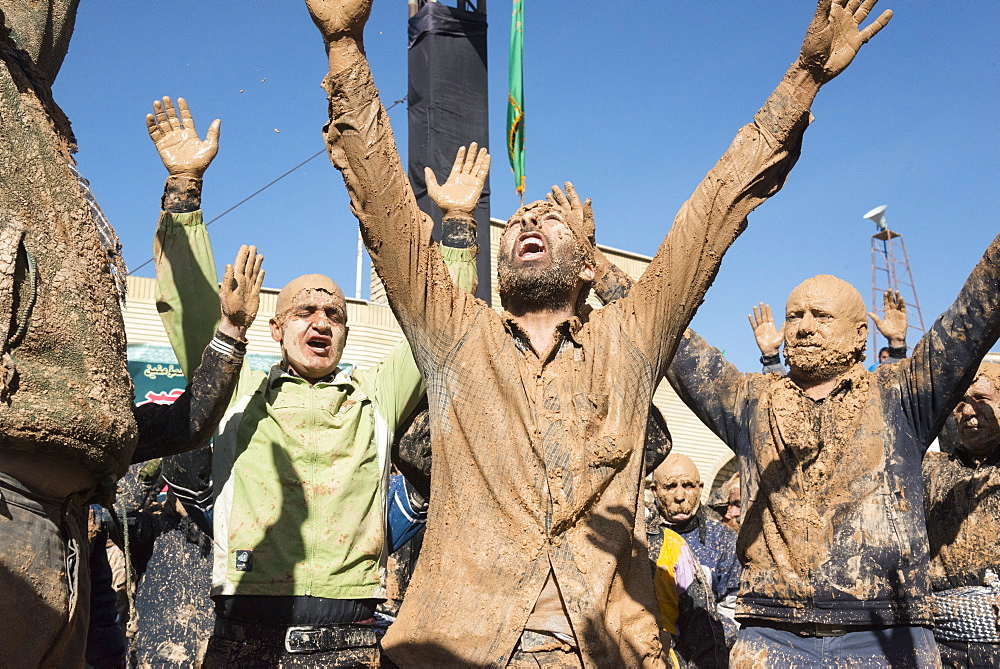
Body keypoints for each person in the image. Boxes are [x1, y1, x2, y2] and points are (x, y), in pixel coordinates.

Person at [309, 0, 892, 663]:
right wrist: (345, 45)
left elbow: (717, 206)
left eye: (551, 219)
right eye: (521, 219)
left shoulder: (631, 338)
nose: (528, 221)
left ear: (588, 265)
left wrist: (805, 76)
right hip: (455, 647)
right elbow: (384, 203)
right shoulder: (455, 336)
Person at [148, 96, 480, 666]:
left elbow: (440, 327)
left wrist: (456, 227)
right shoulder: (239, 391)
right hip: (247, 635)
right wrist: (183, 189)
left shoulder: (374, 398)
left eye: (334, 315)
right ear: (276, 329)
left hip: (351, 638)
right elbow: (193, 310)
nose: (322, 321)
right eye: (305, 311)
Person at [923, 362, 1000, 667]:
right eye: (959, 403)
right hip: (940, 645)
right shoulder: (930, 470)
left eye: (981, 399)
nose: (967, 411)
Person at [648, 454, 741, 643]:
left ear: (700, 489)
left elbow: (733, 610)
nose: (680, 496)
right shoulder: (640, 536)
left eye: (688, 486)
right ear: (655, 491)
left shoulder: (723, 539)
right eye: (670, 486)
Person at [748, 289, 908, 375]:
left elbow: (891, 385)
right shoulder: (782, 397)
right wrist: (770, 356)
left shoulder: (870, 393)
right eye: (795, 316)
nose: (805, 327)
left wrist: (897, 345)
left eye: (822, 316)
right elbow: (776, 390)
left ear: (859, 333)